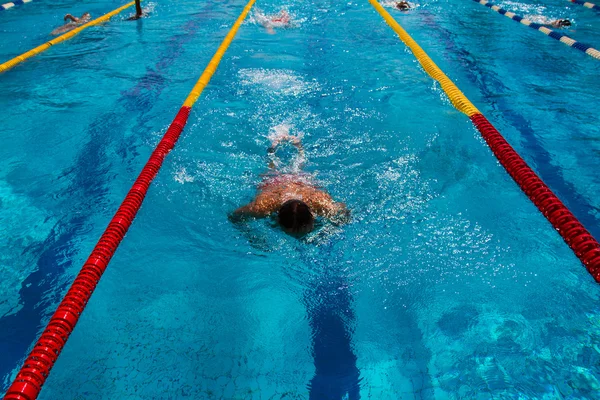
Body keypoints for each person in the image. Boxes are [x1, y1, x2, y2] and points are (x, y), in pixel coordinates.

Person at [230, 126, 349, 235]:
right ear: (277, 218)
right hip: (279, 183)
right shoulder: (263, 207)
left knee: (283, 168)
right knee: (276, 168)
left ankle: (294, 148)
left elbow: (345, 214)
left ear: (312, 215)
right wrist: (253, 238)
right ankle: (279, 148)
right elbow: (234, 216)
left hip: (295, 182)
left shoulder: (321, 203)